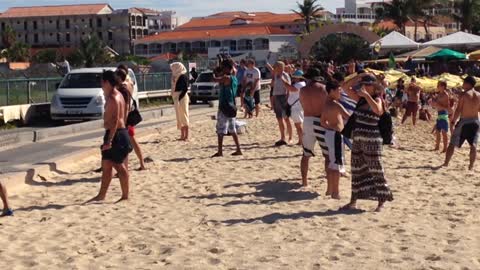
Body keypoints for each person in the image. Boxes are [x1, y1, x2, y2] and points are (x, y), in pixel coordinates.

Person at [341, 74, 393, 212]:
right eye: (363, 84)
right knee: (357, 170)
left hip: (372, 140)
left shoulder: (377, 99)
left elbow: (378, 110)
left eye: (367, 84)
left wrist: (366, 95)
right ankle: (353, 201)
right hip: (358, 139)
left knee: (376, 170)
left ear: (374, 87)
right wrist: (359, 76)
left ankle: (381, 202)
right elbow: (344, 87)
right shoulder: (360, 99)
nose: (364, 86)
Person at [88, 70, 132, 203]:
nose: (101, 84)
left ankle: (125, 195)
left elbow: (116, 121)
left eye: (102, 82)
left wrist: (110, 140)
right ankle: (101, 195)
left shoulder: (113, 98)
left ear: (107, 82)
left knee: (118, 165)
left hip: (116, 134)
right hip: (116, 132)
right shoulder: (117, 95)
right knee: (106, 166)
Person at [319, 81, 350, 199]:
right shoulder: (335, 105)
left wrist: (331, 127)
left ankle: (332, 190)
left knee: (333, 162)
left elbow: (322, 122)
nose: (340, 92)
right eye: (338, 90)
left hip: (330, 134)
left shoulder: (327, 103)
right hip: (335, 135)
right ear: (331, 91)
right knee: (336, 163)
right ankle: (335, 192)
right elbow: (348, 116)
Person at [443, 76, 480, 171]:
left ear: (468, 83)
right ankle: (470, 167)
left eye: (464, 83)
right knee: (473, 145)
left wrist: (453, 121)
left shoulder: (464, 95)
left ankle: (446, 163)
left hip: (464, 121)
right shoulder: (479, 95)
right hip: (475, 121)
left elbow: (459, 109)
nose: (463, 85)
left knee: (452, 143)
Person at [300, 67, 327, 187]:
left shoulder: (303, 90)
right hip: (319, 119)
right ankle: (329, 181)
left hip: (307, 120)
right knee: (327, 154)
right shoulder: (322, 89)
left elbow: (302, 104)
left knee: (306, 154)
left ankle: (304, 181)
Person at [117, 65, 146, 171]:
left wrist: (123, 121)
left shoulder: (124, 86)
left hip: (127, 117)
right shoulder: (130, 82)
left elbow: (126, 105)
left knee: (128, 141)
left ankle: (126, 167)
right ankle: (141, 163)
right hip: (130, 116)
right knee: (131, 140)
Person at [212, 60, 242, 157]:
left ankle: (220, 151)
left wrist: (214, 71)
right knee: (232, 129)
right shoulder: (234, 78)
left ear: (226, 68)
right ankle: (238, 149)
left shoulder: (226, 78)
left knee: (220, 130)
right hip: (232, 106)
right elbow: (234, 70)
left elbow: (214, 79)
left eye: (223, 67)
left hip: (224, 106)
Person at [271, 61, 293, 146]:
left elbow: (288, 88)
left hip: (283, 97)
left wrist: (287, 99)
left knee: (286, 118)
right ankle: (282, 137)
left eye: (276, 67)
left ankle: (290, 138)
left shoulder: (285, 75)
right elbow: (273, 87)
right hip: (276, 97)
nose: (274, 68)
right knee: (279, 119)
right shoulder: (275, 76)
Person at [170, 62, 190, 141]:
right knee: (179, 116)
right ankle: (182, 135)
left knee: (184, 115)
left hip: (182, 97)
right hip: (176, 97)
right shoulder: (175, 76)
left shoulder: (183, 76)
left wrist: (179, 98)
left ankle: (186, 135)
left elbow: (185, 89)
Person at [286, 70, 306, 145]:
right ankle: (301, 140)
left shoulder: (300, 84)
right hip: (296, 106)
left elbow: (291, 89)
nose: (293, 78)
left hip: (296, 107)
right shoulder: (300, 83)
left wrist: (284, 81)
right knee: (298, 124)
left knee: (298, 125)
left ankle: (301, 141)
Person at [432, 81, 450, 153]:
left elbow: (446, 107)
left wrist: (438, 104)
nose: (437, 86)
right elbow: (436, 103)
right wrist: (434, 101)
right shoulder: (439, 94)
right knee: (438, 131)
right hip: (439, 113)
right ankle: (437, 147)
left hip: (444, 113)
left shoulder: (446, 95)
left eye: (438, 85)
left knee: (444, 132)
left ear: (443, 86)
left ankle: (445, 148)